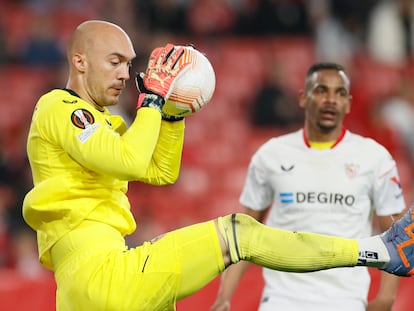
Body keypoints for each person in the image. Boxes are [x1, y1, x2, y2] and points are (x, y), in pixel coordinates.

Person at [21, 20, 414, 311]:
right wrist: (153, 102)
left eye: (128, 63)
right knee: (239, 232)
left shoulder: (105, 123)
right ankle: (380, 250)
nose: (126, 73)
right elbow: (129, 159)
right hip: (102, 278)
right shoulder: (59, 107)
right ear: (80, 61)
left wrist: (172, 114)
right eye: (114, 61)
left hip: (98, 283)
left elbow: (160, 171)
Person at [210, 62, 407, 311]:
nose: (331, 100)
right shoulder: (271, 154)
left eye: (340, 93)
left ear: (348, 103)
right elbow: (245, 232)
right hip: (281, 298)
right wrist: (224, 297)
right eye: (322, 90)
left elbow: (394, 235)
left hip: (345, 299)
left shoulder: (375, 158)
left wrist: (385, 299)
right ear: (303, 98)